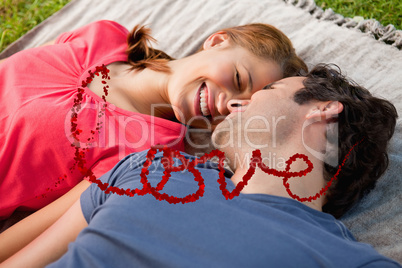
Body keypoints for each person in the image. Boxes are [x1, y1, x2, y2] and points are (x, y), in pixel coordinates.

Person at [1, 64, 399, 267]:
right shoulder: (149, 167)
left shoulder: (343, 258)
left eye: (267, 90)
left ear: (324, 110)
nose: (238, 103)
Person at [0, 19, 307, 223]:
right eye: (238, 78)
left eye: (239, 108)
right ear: (217, 41)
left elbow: (48, 225)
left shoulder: (146, 155)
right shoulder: (105, 36)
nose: (226, 103)